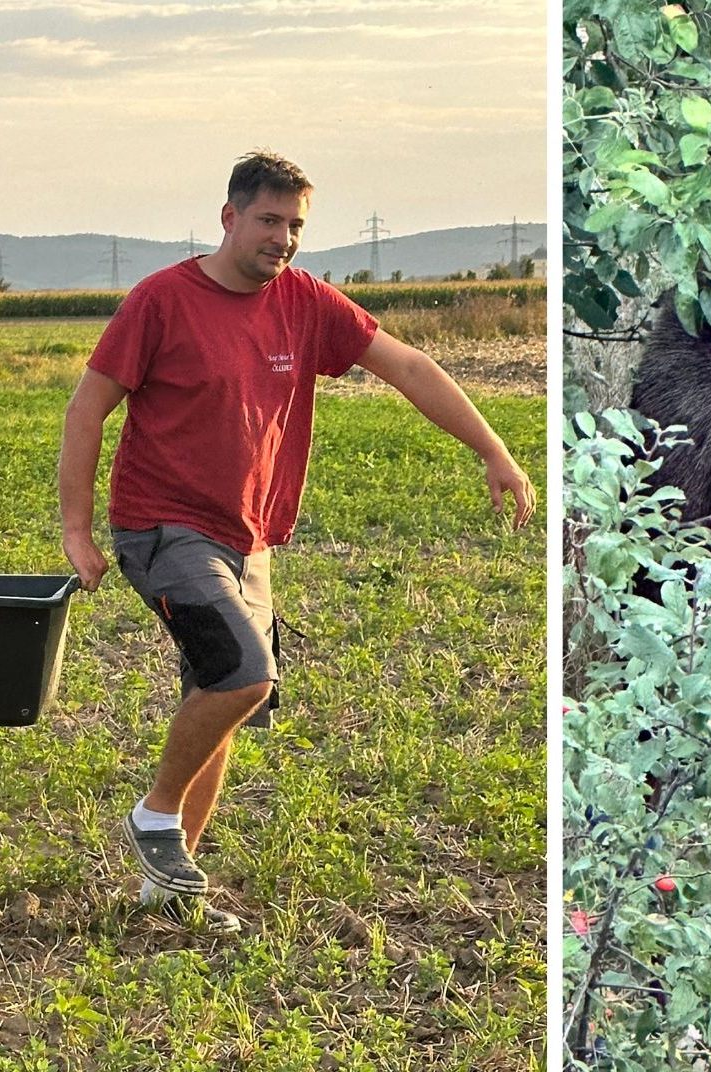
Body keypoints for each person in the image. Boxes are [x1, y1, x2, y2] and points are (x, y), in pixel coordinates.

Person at [57, 150, 536, 933]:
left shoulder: (305, 302)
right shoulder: (162, 302)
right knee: (244, 676)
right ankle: (153, 819)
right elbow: (87, 412)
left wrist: (494, 450)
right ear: (230, 218)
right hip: (163, 526)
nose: (282, 238)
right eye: (269, 220)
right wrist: (78, 531)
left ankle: (171, 897)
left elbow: (407, 365)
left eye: (296, 225)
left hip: (250, 541)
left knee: (216, 702)